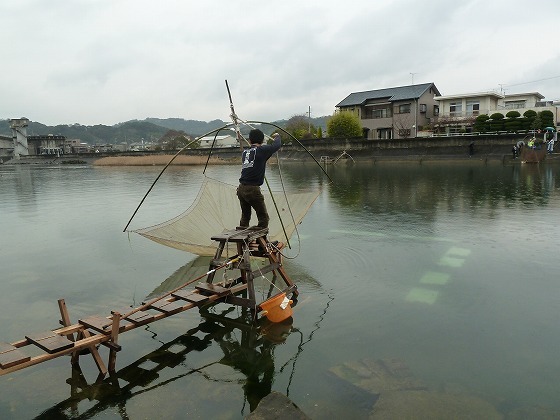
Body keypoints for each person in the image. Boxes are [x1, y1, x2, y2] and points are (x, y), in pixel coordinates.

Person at [237, 129, 281, 229]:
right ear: (262, 141)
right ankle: (261, 241)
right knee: (263, 217)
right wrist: (277, 136)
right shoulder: (261, 150)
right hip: (252, 189)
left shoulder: (245, 152)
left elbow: (258, 159)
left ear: (250, 140)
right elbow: (276, 145)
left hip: (241, 189)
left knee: (245, 216)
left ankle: (242, 236)